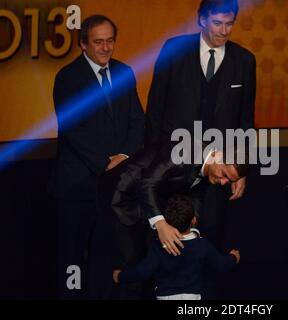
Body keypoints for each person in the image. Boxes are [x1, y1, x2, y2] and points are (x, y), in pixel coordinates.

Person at [144, 0, 256, 249]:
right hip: (173, 169)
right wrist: (152, 163)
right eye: (218, 23)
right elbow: (155, 110)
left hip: (218, 176)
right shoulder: (173, 50)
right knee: (169, 245)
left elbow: (245, 121)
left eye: (230, 24)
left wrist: (241, 169)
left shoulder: (245, 61)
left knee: (211, 242)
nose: (224, 31)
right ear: (202, 20)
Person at [48, 14, 145, 299]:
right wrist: (106, 162)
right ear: (83, 45)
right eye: (98, 42)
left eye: (110, 41)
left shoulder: (125, 72)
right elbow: (72, 129)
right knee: (72, 259)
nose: (106, 48)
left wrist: (124, 156)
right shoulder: (68, 77)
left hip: (115, 189)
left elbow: (137, 121)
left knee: (107, 259)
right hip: (76, 188)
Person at [110, 141, 247, 298]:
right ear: (219, 156)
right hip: (124, 198)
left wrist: (190, 232)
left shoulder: (209, 170)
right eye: (224, 174)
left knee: (147, 270)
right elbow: (148, 182)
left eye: (229, 181)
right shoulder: (184, 152)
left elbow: (195, 197)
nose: (223, 182)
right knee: (128, 267)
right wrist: (160, 224)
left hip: (149, 208)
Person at [113, 194, 240, 300]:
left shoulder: (159, 247)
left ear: (166, 222)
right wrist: (233, 257)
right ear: (194, 220)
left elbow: (143, 271)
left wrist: (120, 276)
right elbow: (221, 264)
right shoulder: (202, 245)